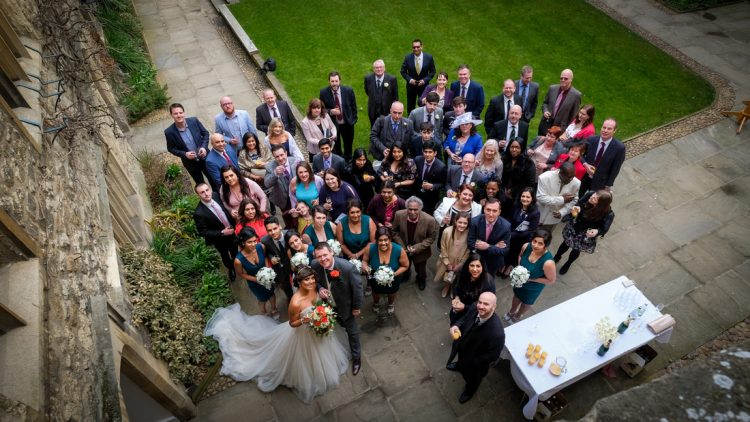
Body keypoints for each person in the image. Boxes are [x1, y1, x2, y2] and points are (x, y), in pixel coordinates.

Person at [204, 266, 349, 404]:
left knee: (323, 347)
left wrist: (322, 313)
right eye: (306, 279)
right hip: (303, 333)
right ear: (299, 282)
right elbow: (293, 323)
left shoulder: (314, 288)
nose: (311, 282)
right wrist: (307, 319)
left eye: (312, 278)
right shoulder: (295, 302)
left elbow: (319, 302)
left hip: (317, 328)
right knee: (306, 356)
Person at [312, 242, 364, 375]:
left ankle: (357, 358)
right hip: (328, 306)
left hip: (346, 306)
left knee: (352, 332)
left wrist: (356, 307)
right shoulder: (314, 265)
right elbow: (314, 281)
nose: (323, 259)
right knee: (337, 326)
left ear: (331, 253)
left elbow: (358, 290)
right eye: (319, 257)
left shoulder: (347, 268)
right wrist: (320, 288)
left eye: (325, 255)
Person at [446, 292, 504, 404]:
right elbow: (464, 318)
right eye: (480, 302)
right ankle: (459, 365)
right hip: (463, 348)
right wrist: (456, 325)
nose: (481, 306)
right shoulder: (474, 307)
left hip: (475, 363)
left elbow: (493, 355)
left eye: (486, 304)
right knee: (461, 361)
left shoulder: (496, 333)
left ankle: (470, 391)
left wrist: (473, 362)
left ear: (494, 307)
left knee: (472, 379)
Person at [554, 190, 615, 274]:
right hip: (575, 226)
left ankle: (568, 263)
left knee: (576, 250)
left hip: (585, 234)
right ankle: (557, 257)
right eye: (594, 195)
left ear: (600, 204)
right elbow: (579, 202)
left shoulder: (608, 214)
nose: (592, 197)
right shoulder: (590, 194)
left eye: (595, 199)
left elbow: (604, 229)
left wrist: (596, 231)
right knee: (565, 243)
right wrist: (577, 207)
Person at [505, 229, 556, 323]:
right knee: (516, 296)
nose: (535, 245)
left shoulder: (548, 263)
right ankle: (512, 310)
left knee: (526, 302)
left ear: (546, 245)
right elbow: (520, 256)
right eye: (534, 241)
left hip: (533, 287)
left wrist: (531, 279)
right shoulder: (526, 246)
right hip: (520, 281)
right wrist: (520, 269)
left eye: (540, 243)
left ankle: (518, 315)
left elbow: (551, 280)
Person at [391, 197, 439, 290]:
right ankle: (406, 275)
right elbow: (394, 231)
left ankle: (421, 279)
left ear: (420, 209)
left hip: (421, 251)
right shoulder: (399, 215)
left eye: (415, 210)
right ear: (406, 208)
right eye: (410, 209)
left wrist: (417, 248)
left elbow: (431, 238)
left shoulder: (430, 220)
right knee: (405, 265)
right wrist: (402, 246)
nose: (412, 212)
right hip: (403, 249)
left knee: (420, 269)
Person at [363, 226, 409, 315]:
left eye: (386, 240)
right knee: (376, 292)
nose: (383, 243)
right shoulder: (370, 248)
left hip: (394, 279)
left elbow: (405, 265)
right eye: (380, 240)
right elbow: (365, 260)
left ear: (390, 239)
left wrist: (392, 275)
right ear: (376, 240)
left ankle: (390, 304)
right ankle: (376, 303)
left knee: (392, 293)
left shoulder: (399, 250)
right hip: (375, 279)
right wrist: (365, 267)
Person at [193, 183, 236, 279]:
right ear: (198, 195)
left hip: (232, 231)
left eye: (207, 190)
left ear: (210, 189)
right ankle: (231, 268)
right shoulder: (199, 213)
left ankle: (237, 263)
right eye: (202, 192)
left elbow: (225, 208)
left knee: (235, 251)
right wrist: (222, 232)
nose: (206, 194)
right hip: (220, 239)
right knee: (225, 255)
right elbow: (203, 232)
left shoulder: (216, 196)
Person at [234, 227, 279, 319]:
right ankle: (263, 313)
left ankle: (274, 309)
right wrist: (257, 279)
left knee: (271, 293)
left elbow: (266, 257)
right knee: (262, 299)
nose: (253, 244)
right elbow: (241, 274)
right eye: (249, 242)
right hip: (255, 283)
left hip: (267, 278)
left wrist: (267, 270)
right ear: (243, 242)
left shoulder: (261, 247)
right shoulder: (238, 260)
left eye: (255, 241)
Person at [164, 103, 210, 186]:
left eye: (180, 113)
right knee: (200, 185)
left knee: (214, 180)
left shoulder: (194, 121)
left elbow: (205, 133)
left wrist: (204, 147)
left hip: (205, 157)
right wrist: (184, 154)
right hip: (190, 164)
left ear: (184, 113)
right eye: (175, 113)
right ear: (171, 115)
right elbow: (170, 148)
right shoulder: (169, 132)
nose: (179, 115)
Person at [500, 188, 540, 278]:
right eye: (523, 196)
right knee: (507, 251)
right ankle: (503, 265)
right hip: (511, 233)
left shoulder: (535, 213)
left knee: (514, 253)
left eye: (528, 197)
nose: (525, 199)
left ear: (532, 199)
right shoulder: (516, 205)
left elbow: (531, 230)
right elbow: (509, 218)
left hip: (522, 238)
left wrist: (512, 235)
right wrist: (507, 230)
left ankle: (509, 267)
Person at [580, 118, 626, 195]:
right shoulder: (591, 139)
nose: (605, 130)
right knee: (577, 197)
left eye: (609, 129)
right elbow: (580, 154)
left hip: (600, 182)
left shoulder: (619, 148)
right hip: (583, 176)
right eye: (604, 127)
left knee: (591, 202)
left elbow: (615, 169)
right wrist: (585, 164)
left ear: (614, 131)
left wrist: (608, 186)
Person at [448, 253, 496, 324]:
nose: (475, 269)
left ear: (482, 267)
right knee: (453, 321)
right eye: (472, 265)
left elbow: (486, 305)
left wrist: (465, 307)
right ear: (468, 266)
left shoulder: (488, 283)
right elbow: (456, 285)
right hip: (458, 307)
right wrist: (456, 297)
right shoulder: (462, 272)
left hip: (472, 314)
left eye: (478, 266)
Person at [468, 198, 510, 277]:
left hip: (493, 261)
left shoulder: (506, 226)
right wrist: (495, 246)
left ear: (499, 212)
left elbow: (505, 250)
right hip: (477, 259)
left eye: (494, 211)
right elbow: (470, 243)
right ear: (484, 209)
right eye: (488, 210)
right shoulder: (475, 222)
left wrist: (488, 247)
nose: (491, 214)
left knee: (488, 281)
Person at [320, 71, 357, 160]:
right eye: (332, 81)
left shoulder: (348, 91)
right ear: (329, 82)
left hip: (347, 124)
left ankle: (349, 162)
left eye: (336, 81)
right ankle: (339, 163)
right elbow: (321, 109)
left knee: (348, 146)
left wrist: (353, 120)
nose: (334, 83)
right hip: (333, 125)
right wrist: (331, 111)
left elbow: (354, 107)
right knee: (336, 148)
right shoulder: (324, 92)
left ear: (339, 81)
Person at [434, 212, 471, 298]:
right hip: (447, 260)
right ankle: (447, 287)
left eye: (465, 223)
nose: (462, 225)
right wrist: (447, 263)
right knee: (447, 276)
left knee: (457, 277)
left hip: (460, 262)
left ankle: (452, 288)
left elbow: (468, 251)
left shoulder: (469, 234)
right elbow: (443, 248)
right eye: (460, 222)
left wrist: (461, 264)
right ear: (455, 222)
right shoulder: (447, 231)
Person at [536, 163, 580, 232]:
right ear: (560, 172)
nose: (571, 179)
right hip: (539, 214)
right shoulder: (545, 177)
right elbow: (540, 197)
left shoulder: (576, 183)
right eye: (568, 177)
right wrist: (562, 199)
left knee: (546, 238)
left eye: (573, 176)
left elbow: (574, 200)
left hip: (553, 219)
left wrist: (562, 212)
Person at [539, 69, 582, 136]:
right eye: (561, 78)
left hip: (559, 130)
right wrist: (545, 111)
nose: (563, 80)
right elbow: (545, 103)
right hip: (545, 125)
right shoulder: (552, 88)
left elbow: (574, 116)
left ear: (571, 79)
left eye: (566, 78)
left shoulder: (576, 95)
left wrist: (566, 131)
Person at [265, 145, 299, 229]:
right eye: (277, 156)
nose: (280, 158)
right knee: (288, 220)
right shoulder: (270, 166)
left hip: (297, 196)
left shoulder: (295, 161)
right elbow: (267, 184)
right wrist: (275, 174)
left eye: (282, 155)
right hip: (283, 200)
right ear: (274, 157)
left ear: (286, 153)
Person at [500, 139, 537, 216]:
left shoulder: (528, 163)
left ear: (522, 148)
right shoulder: (504, 158)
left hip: (519, 195)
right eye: (512, 147)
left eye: (517, 147)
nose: (514, 150)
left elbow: (530, 183)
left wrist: (513, 191)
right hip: (503, 191)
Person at [261, 216, 294, 301]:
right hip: (280, 268)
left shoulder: (289, 234)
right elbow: (267, 252)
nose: (273, 232)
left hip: (293, 264)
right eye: (269, 230)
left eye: (275, 228)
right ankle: (290, 299)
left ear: (280, 226)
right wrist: (271, 257)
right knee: (286, 286)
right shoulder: (265, 241)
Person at [400, 39, 436, 113]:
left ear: (421, 47)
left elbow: (432, 72)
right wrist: (410, 80)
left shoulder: (428, 58)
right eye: (414, 47)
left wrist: (424, 80)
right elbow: (403, 71)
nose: (416, 49)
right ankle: (411, 121)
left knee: (424, 104)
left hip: (424, 86)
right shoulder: (408, 58)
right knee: (410, 105)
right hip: (411, 87)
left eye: (418, 47)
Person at [414, 140, 447, 214]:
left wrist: (432, 186)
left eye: (430, 152)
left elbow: (443, 184)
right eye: (425, 152)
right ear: (422, 152)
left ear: (435, 153)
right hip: (417, 194)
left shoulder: (441, 167)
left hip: (431, 198)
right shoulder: (417, 160)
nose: (427, 154)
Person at [364, 59, 399, 126]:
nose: (379, 69)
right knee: (374, 129)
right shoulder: (368, 78)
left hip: (387, 111)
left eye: (381, 67)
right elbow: (367, 91)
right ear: (373, 69)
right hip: (373, 110)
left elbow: (395, 97)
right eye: (377, 68)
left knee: (386, 129)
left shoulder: (392, 79)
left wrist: (393, 110)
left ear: (384, 68)